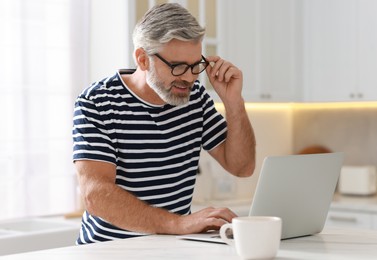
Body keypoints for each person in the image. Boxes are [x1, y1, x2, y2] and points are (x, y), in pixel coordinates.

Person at [72, 3, 256, 244]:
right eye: (178, 67)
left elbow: (242, 167)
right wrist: (178, 223)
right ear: (142, 59)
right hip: (109, 252)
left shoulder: (195, 98)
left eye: (195, 66)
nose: (189, 77)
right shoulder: (97, 102)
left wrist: (234, 102)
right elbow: (96, 195)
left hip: (171, 249)